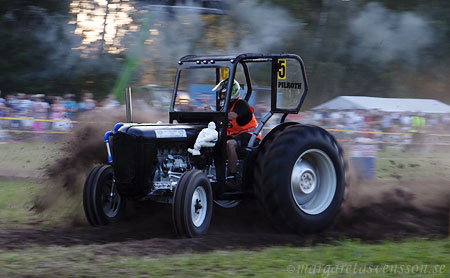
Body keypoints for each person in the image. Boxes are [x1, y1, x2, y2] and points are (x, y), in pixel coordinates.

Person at [212, 78, 258, 188]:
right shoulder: (225, 107)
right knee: (214, 144)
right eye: (221, 94)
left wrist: (213, 114)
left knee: (230, 144)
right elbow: (218, 120)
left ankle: (233, 177)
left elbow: (231, 116)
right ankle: (218, 176)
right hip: (233, 136)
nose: (221, 97)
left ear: (231, 93)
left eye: (223, 94)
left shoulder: (241, 104)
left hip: (249, 136)